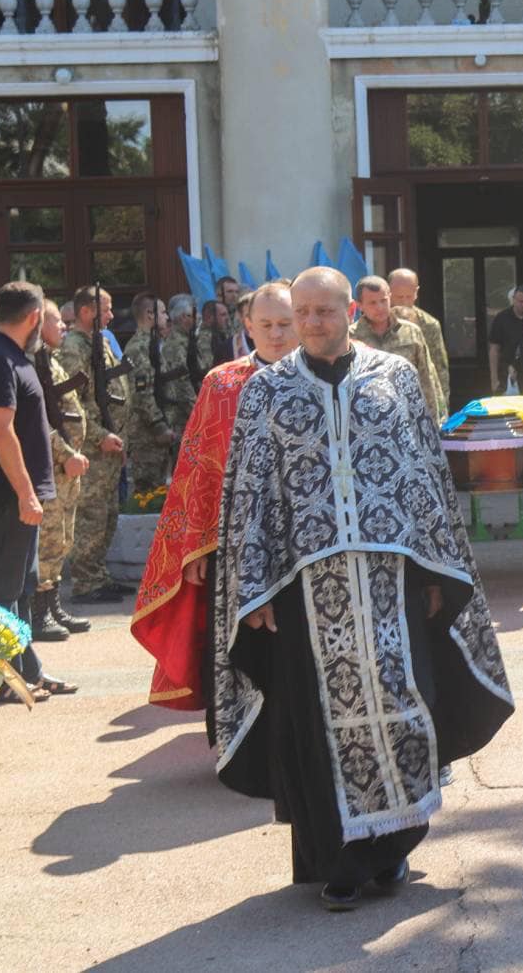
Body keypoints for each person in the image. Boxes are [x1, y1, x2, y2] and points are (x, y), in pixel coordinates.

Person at [213, 267, 513, 913]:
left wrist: (435, 571)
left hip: (392, 578)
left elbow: (424, 478)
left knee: (405, 702)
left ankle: (394, 845)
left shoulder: (396, 378)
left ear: (350, 310)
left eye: (326, 310)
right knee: (319, 721)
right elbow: (248, 496)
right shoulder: (265, 391)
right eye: (304, 312)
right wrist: (253, 588)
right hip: (303, 585)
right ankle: (340, 862)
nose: (315, 322)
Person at [132, 281, 300, 723]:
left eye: (286, 323)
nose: (277, 334)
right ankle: (237, 731)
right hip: (234, 542)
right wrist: (195, 545)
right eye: (266, 324)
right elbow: (197, 468)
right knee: (236, 639)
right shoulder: (222, 384)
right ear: (247, 325)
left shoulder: (318, 378)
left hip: (303, 539)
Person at [0, 282, 74, 699]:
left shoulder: (10, 355)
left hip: (19, 492)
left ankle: (28, 672)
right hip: (8, 492)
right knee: (1, 593)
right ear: (32, 318)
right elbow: (0, 430)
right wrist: (27, 493)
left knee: (22, 590)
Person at [60, 285, 132, 604]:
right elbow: (74, 399)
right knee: (91, 515)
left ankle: (98, 575)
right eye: (106, 309)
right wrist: (100, 436)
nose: (112, 315)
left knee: (108, 513)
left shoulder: (98, 341)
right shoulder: (74, 346)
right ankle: (85, 582)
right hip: (92, 447)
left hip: (111, 443)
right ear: (87, 312)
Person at [31, 298, 91, 641]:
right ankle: (39, 614)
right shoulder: (34, 363)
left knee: (64, 538)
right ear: (39, 324)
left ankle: (52, 605)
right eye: (57, 322)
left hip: (68, 465)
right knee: (49, 540)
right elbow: (38, 423)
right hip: (53, 465)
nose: (63, 327)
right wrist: (66, 451)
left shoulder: (49, 361)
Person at [350, 275, 444, 418]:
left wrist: (435, 419)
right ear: (360, 305)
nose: (380, 307)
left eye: (383, 300)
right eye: (372, 303)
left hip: (409, 413)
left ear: (390, 297)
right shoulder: (350, 337)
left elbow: (427, 377)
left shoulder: (411, 332)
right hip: (368, 417)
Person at [122, 293, 175, 494]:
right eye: (162, 311)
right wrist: (159, 426)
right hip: (147, 436)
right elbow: (141, 394)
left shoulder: (154, 345)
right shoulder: (139, 347)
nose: (167, 317)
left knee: (160, 492)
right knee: (148, 496)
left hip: (157, 433)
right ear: (150, 314)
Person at [389, 269, 452, 412]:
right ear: (389, 293)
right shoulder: (376, 322)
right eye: (399, 297)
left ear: (416, 292)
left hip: (420, 401)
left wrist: (443, 408)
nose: (404, 302)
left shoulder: (429, 325)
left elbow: (439, 368)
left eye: (409, 296)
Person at [160, 293, 200, 435]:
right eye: (192, 315)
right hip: (181, 417)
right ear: (183, 317)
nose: (196, 319)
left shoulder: (187, 340)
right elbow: (181, 381)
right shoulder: (176, 343)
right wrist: (198, 412)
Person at [486, 285, 523, 392]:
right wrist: (494, 380)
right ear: (513, 300)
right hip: (505, 373)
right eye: (520, 301)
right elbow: (494, 349)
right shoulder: (501, 318)